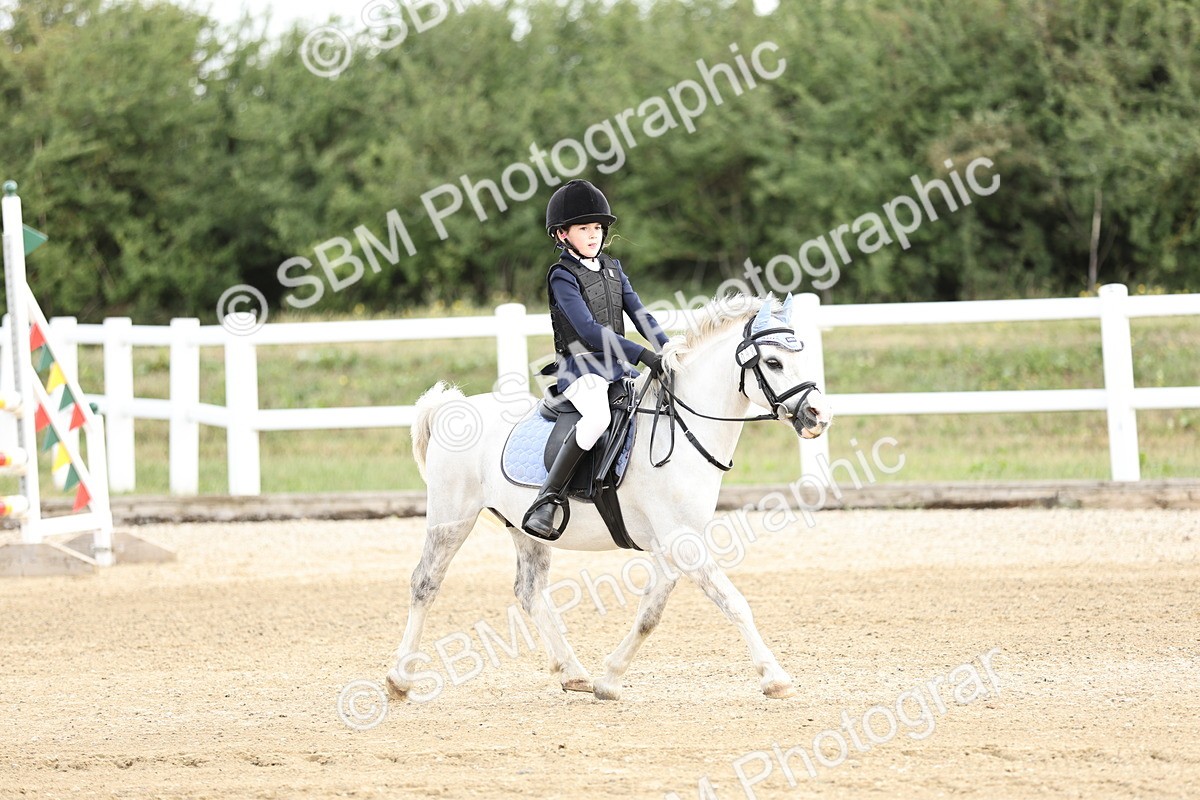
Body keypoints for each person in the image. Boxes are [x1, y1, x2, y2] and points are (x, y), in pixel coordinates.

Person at [522, 179, 669, 540]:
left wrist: (667, 350)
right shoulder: (562, 275)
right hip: (579, 368)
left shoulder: (614, 268)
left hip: (616, 368)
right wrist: (641, 354)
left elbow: (640, 315)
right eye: (584, 228)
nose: (593, 235)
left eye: (598, 228)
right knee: (599, 416)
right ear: (561, 234)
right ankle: (547, 499)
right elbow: (587, 330)